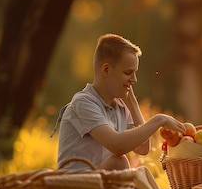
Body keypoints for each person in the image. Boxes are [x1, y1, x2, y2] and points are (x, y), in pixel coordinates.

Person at [55, 34, 186, 171]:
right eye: (128, 72)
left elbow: (143, 148)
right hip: (73, 186)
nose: (134, 79)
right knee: (119, 163)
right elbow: (117, 146)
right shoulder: (83, 103)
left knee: (140, 170)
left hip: (101, 184)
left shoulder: (119, 106)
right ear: (106, 69)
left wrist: (133, 103)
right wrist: (160, 119)